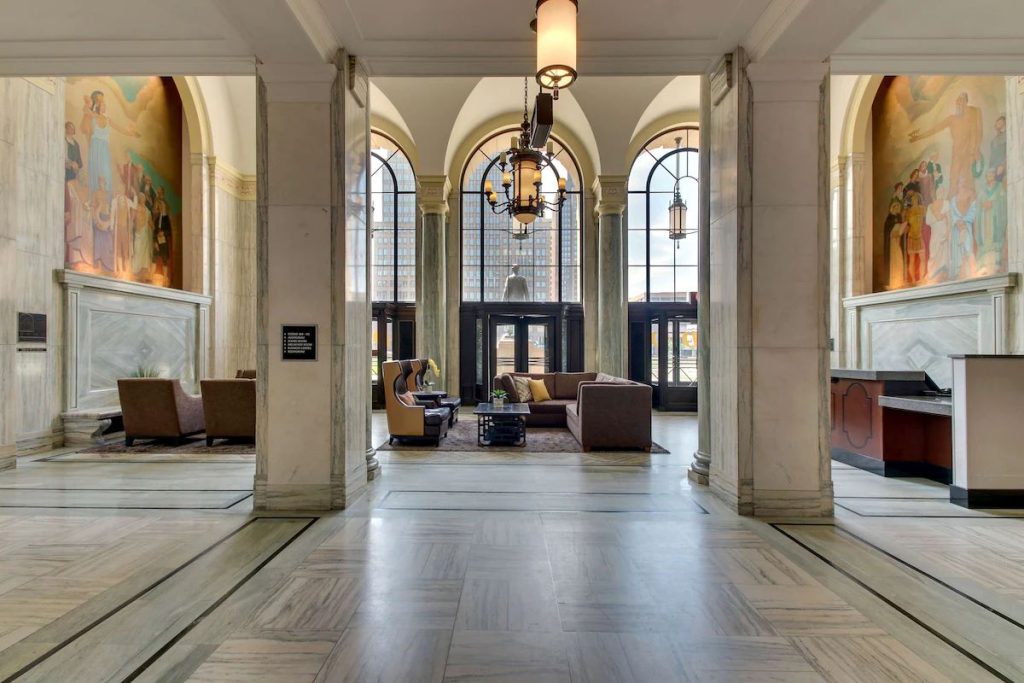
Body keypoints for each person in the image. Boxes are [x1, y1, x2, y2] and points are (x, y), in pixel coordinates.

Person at [909, 92, 983, 201]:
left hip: (968, 154)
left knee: (968, 180)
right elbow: (935, 129)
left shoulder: (974, 113)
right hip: (956, 154)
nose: (958, 104)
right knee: (953, 180)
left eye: (961, 101)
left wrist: (976, 149)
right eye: (957, 101)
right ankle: (949, 204)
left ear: (966, 102)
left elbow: (979, 131)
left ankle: (972, 205)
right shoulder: (952, 119)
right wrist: (919, 137)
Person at [978, 168, 1007, 271]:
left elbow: (1004, 202)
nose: (989, 177)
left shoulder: (999, 187)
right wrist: (983, 206)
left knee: (996, 238)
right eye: (987, 175)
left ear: (994, 175)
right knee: (987, 238)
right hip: (985, 218)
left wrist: (993, 204)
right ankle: (985, 264)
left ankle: (997, 261)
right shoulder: (983, 190)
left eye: (991, 174)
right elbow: (979, 203)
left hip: (996, 218)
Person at [949, 176, 978, 280]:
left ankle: (973, 272)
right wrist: (957, 221)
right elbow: (952, 213)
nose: (962, 184)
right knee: (957, 250)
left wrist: (965, 221)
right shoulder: (953, 199)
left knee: (968, 247)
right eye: (960, 182)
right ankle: (959, 274)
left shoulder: (970, 195)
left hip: (966, 226)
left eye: (964, 182)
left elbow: (973, 208)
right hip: (957, 228)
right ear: (957, 184)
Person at [925, 187, 951, 282]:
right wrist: (938, 217)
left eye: (942, 191)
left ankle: (944, 270)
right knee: (934, 250)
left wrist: (948, 232)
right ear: (936, 193)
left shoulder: (946, 203)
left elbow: (949, 219)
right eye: (939, 191)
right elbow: (928, 221)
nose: (941, 193)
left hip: (943, 230)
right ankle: (932, 272)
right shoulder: (930, 206)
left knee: (944, 250)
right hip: (935, 231)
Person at [91, 175, 114, 271]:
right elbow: (93, 207)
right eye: (100, 181)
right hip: (99, 217)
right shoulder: (95, 194)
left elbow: (112, 208)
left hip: (107, 218)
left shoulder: (108, 194)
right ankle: (99, 262)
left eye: (103, 181)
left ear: (105, 183)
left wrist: (110, 222)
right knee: (98, 241)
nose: (101, 183)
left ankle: (107, 264)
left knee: (108, 242)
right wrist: (96, 221)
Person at [904, 192, 927, 285]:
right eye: (912, 199)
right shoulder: (908, 212)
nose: (914, 200)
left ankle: (921, 278)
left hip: (919, 235)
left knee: (923, 258)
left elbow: (926, 220)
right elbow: (906, 225)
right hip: (911, 236)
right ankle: (913, 280)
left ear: (918, 199)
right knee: (912, 259)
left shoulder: (922, 209)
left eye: (916, 199)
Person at [990, 115, 1007, 184]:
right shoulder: (994, 140)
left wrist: (1003, 165)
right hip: (993, 168)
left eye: (1001, 123)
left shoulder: (1006, 136)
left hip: (1001, 168)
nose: (998, 125)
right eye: (997, 123)